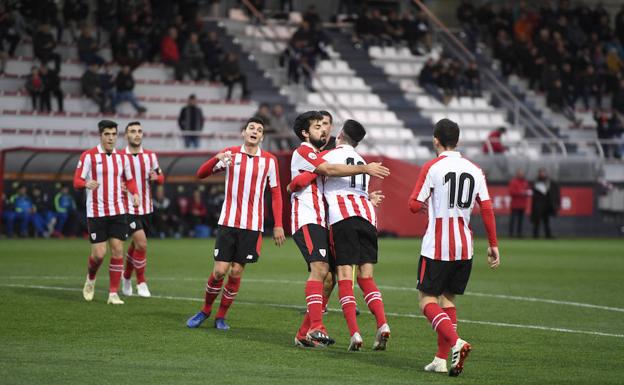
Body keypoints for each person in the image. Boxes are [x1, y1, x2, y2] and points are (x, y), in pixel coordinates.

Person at [287, 111, 390, 348]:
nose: (324, 130)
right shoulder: (305, 152)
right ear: (305, 132)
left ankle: (303, 334)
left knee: (331, 279)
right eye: (317, 126)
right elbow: (325, 173)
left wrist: (364, 197)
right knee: (321, 269)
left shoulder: (322, 155)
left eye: (325, 126)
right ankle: (316, 328)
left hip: (324, 220)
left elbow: (308, 180)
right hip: (307, 217)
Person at [408, 118, 500, 376]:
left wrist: (428, 204)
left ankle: (456, 342)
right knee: (448, 298)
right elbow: (487, 209)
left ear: (435, 139)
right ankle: (440, 359)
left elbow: (413, 204)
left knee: (426, 300)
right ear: (457, 141)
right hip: (464, 246)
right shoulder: (475, 169)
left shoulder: (432, 167)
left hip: (437, 246)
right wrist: (493, 245)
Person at [186, 117, 286, 330]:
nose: (255, 131)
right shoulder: (231, 154)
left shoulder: (269, 160)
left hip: (252, 226)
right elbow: (200, 174)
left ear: (262, 137)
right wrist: (216, 158)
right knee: (220, 271)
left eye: (259, 130)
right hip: (229, 222)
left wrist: (278, 224)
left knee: (236, 272)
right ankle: (205, 310)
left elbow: (276, 193)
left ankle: (221, 317)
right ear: (243, 132)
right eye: (252, 128)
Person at [74, 120, 140, 305]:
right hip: (96, 212)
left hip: (118, 210)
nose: (111, 138)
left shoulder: (122, 158)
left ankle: (113, 294)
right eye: (107, 134)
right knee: (99, 254)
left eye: (114, 134)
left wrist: (134, 193)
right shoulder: (89, 156)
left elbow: (130, 180)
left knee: (118, 250)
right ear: (100, 135)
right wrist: (86, 183)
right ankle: (91, 279)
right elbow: (76, 181)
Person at [119, 121, 165, 298]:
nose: (137, 134)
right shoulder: (120, 157)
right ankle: (142, 282)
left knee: (135, 246)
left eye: (139, 131)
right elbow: (114, 179)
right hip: (128, 207)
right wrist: (120, 186)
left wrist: (157, 177)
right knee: (142, 243)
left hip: (147, 207)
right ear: (126, 135)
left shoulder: (150, 156)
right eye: (132, 131)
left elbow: (161, 177)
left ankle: (126, 277)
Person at [531, 168, 560, 239]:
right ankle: (535, 235)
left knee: (546, 221)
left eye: (543, 172)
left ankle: (548, 235)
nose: (542, 174)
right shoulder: (536, 182)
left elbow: (554, 193)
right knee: (537, 221)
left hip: (547, 205)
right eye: (541, 172)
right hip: (538, 205)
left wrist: (555, 204)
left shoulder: (549, 182)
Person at [508, 169, 529, 237]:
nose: (521, 175)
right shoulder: (513, 182)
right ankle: (511, 234)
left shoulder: (525, 182)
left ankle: (519, 234)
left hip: (522, 205)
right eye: (519, 173)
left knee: (520, 221)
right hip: (515, 205)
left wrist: (526, 193)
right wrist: (520, 192)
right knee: (513, 220)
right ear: (517, 174)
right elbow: (511, 192)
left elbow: (527, 191)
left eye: (522, 173)